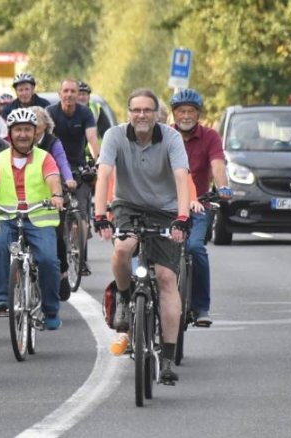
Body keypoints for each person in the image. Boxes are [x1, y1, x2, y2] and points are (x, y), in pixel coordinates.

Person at [93, 89, 191, 384]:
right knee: (122, 250)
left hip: (165, 210)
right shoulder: (115, 135)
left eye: (147, 110)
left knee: (166, 278)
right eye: (136, 110)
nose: (141, 115)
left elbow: (181, 178)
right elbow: (104, 175)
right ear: (129, 113)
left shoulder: (171, 138)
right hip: (128, 206)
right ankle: (124, 299)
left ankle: (168, 358)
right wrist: (100, 215)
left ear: (156, 114)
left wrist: (182, 217)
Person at [0, 108, 65, 329]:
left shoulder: (45, 158)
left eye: (27, 130)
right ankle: (2, 297)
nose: (23, 134)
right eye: (18, 130)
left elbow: (53, 179)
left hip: (39, 218)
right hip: (6, 217)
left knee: (49, 260)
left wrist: (56, 195)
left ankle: (51, 309)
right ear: (10, 134)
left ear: (35, 133)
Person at [169, 88, 232, 328]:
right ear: (174, 114)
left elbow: (217, 164)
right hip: (167, 205)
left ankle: (201, 306)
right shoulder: (165, 135)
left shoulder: (210, 137)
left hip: (199, 206)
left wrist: (223, 187)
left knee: (195, 248)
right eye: (181, 111)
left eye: (191, 111)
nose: (186, 116)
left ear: (198, 114)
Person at [47, 79, 101, 275]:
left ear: (78, 95)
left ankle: (80, 255)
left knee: (82, 215)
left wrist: (97, 162)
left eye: (73, 91)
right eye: (66, 91)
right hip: (55, 167)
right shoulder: (51, 112)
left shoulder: (85, 113)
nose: (69, 94)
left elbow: (92, 139)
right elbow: (45, 137)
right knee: (58, 215)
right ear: (60, 93)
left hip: (79, 167)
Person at [29, 106, 76, 300]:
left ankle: (62, 273)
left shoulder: (53, 142)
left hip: (52, 195)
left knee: (56, 237)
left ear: (46, 124)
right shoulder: (21, 142)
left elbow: (62, 162)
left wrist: (69, 179)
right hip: (28, 196)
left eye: (37, 120)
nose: (32, 124)